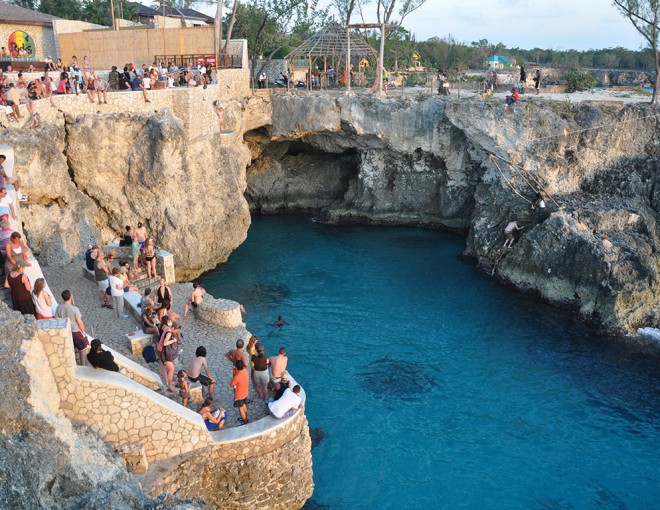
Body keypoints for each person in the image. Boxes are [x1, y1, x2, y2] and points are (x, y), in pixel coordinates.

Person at [55, 289, 88, 365]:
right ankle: (83, 364)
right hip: (75, 331)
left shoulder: (58, 307)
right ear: (71, 296)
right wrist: (83, 332)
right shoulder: (74, 309)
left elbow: (56, 319)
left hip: (65, 330)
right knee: (82, 348)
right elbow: (80, 322)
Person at [158, 321, 180, 392]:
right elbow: (165, 343)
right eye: (176, 330)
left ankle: (168, 382)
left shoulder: (168, 328)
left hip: (160, 349)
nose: (177, 332)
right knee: (171, 369)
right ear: (173, 328)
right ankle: (170, 387)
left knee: (164, 367)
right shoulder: (169, 332)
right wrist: (174, 340)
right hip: (163, 352)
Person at [231, 359, 249, 424]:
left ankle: (245, 421)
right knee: (244, 404)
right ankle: (246, 417)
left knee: (240, 408)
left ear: (236, 367)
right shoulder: (245, 371)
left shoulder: (237, 376)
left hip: (239, 395)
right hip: (245, 392)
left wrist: (233, 374)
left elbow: (232, 384)